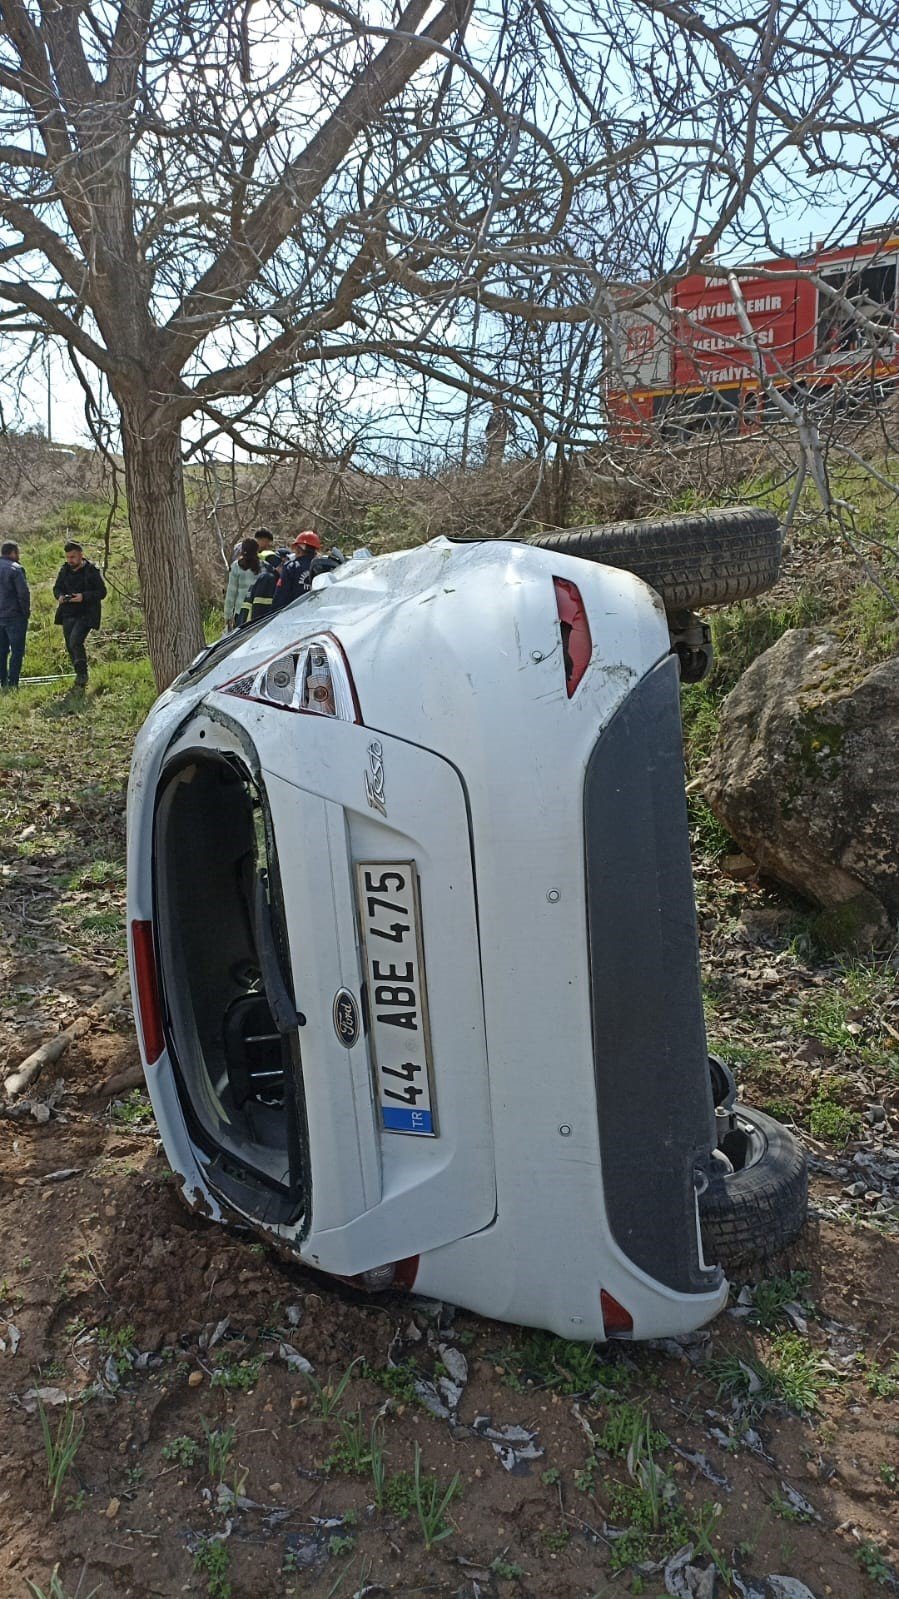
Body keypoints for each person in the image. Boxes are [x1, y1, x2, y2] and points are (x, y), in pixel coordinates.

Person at [52, 541, 107, 690]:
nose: (70, 560)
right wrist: (60, 596)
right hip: (67, 613)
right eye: (68, 557)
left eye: (73, 557)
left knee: (76, 641)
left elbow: (102, 592)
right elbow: (56, 588)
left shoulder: (91, 571)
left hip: (86, 614)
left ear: (81, 555)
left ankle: (83, 675)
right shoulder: (64, 570)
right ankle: (79, 674)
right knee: (70, 645)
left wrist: (83, 596)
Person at [0, 541, 30, 691]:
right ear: (13, 552)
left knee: (1, 651)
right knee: (17, 651)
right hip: (14, 616)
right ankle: (13, 684)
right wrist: (25, 612)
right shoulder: (16, 569)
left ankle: (3, 682)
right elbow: (23, 593)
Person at [272, 530, 323, 609]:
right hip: (315, 613)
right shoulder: (322, 568)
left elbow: (280, 596)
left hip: (293, 614)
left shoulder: (291, 567)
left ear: (299, 549)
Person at [240, 547, 290, 626]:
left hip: (246, 626)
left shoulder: (265, 576)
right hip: (251, 627)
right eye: (285, 564)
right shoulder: (268, 580)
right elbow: (259, 611)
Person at [224, 538, 260, 631]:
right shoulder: (263, 566)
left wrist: (228, 615)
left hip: (241, 611)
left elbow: (231, 593)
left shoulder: (236, 566)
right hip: (258, 610)